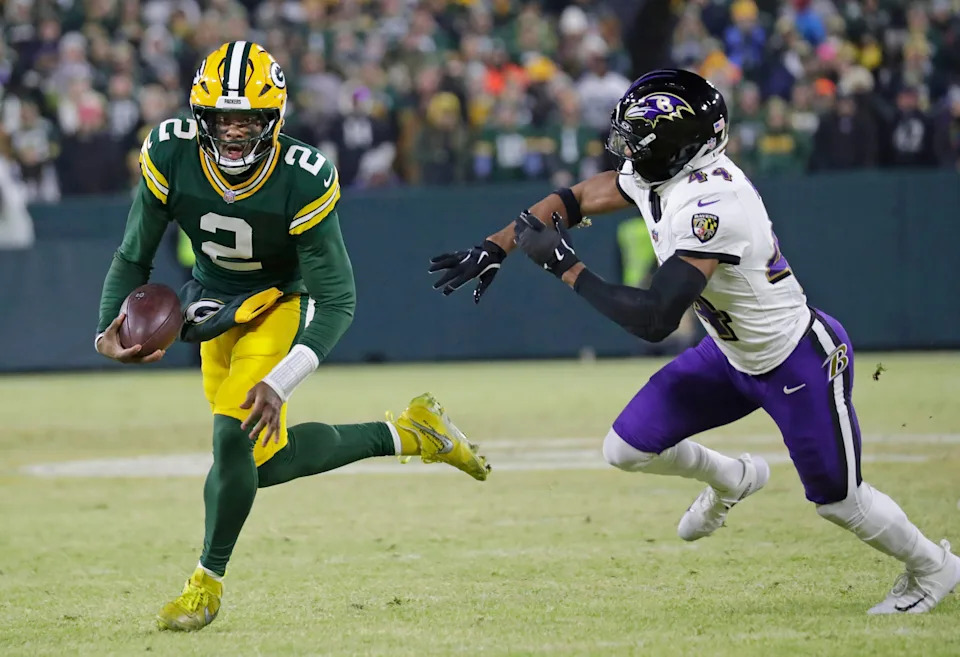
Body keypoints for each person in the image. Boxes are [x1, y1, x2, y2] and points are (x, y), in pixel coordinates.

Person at [429, 69, 959, 614]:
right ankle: (732, 476)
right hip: (730, 355)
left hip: (795, 360)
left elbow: (657, 318)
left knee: (840, 502)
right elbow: (574, 199)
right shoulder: (662, 174)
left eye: (637, 140)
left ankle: (934, 568)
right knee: (626, 449)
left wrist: (567, 268)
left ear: (676, 146)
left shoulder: (714, 205)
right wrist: (496, 245)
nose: (626, 151)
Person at [95, 41, 490, 632]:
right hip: (213, 307)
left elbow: (339, 300)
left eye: (249, 118)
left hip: (277, 302)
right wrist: (107, 329)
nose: (233, 132)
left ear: (273, 119)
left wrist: (281, 382)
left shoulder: (302, 176)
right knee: (261, 462)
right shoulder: (170, 151)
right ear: (201, 118)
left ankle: (205, 584)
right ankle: (411, 434)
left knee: (232, 442)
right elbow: (134, 255)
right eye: (223, 118)